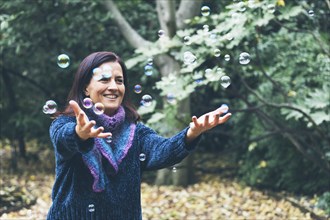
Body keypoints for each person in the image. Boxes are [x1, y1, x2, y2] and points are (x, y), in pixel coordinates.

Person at [47, 51, 231, 220]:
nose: (113, 86)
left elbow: (163, 150)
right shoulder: (65, 124)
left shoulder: (136, 132)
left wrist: (192, 133)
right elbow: (64, 140)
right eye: (104, 80)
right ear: (86, 88)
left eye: (119, 81)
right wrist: (80, 134)